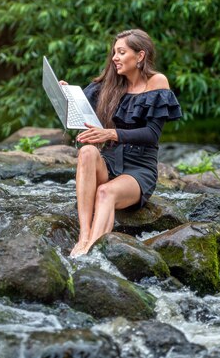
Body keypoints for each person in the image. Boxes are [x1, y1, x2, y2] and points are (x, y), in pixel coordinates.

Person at [62, 29, 182, 257]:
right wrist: (66, 96)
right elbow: (81, 118)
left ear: (140, 56)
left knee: (105, 193)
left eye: (121, 52)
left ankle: (91, 254)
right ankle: (84, 237)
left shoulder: (156, 82)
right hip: (108, 164)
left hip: (138, 170)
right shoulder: (108, 86)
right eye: (114, 52)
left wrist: (110, 134)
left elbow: (151, 135)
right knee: (87, 151)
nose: (115, 57)